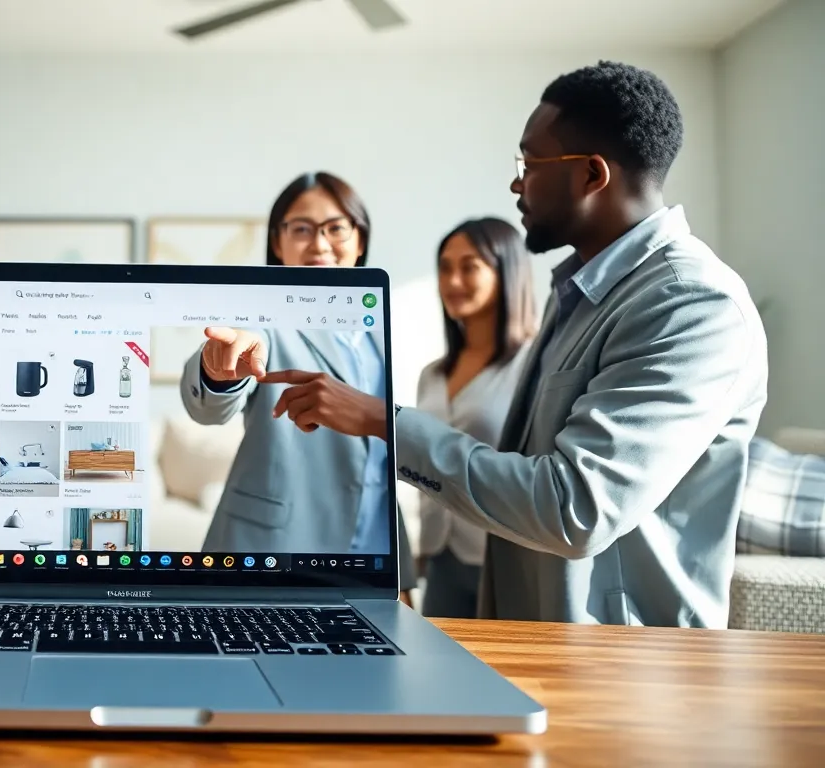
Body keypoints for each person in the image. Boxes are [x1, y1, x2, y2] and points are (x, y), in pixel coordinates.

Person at [259, 61, 768, 627]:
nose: (516, 183)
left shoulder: (690, 302)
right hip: (532, 630)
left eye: (529, 163)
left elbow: (575, 509)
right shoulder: (576, 294)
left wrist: (385, 422)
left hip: (624, 657)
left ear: (591, 175)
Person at [181, 171, 415, 604]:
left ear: (360, 239)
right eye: (302, 229)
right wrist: (217, 369)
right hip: (273, 557)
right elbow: (211, 404)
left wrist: (402, 569)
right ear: (278, 241)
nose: (320, 244)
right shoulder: (260, 318)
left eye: (335, 228)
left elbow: (383, 455)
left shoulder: (383, 329)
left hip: (372, 557)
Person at [415, 217, 537, 618]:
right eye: (445, 268)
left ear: (507, 272)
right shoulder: (432, 374)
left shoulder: (533, 364)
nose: (453, 281)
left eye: (469, 267)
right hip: (440, 557)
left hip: (503, 556)